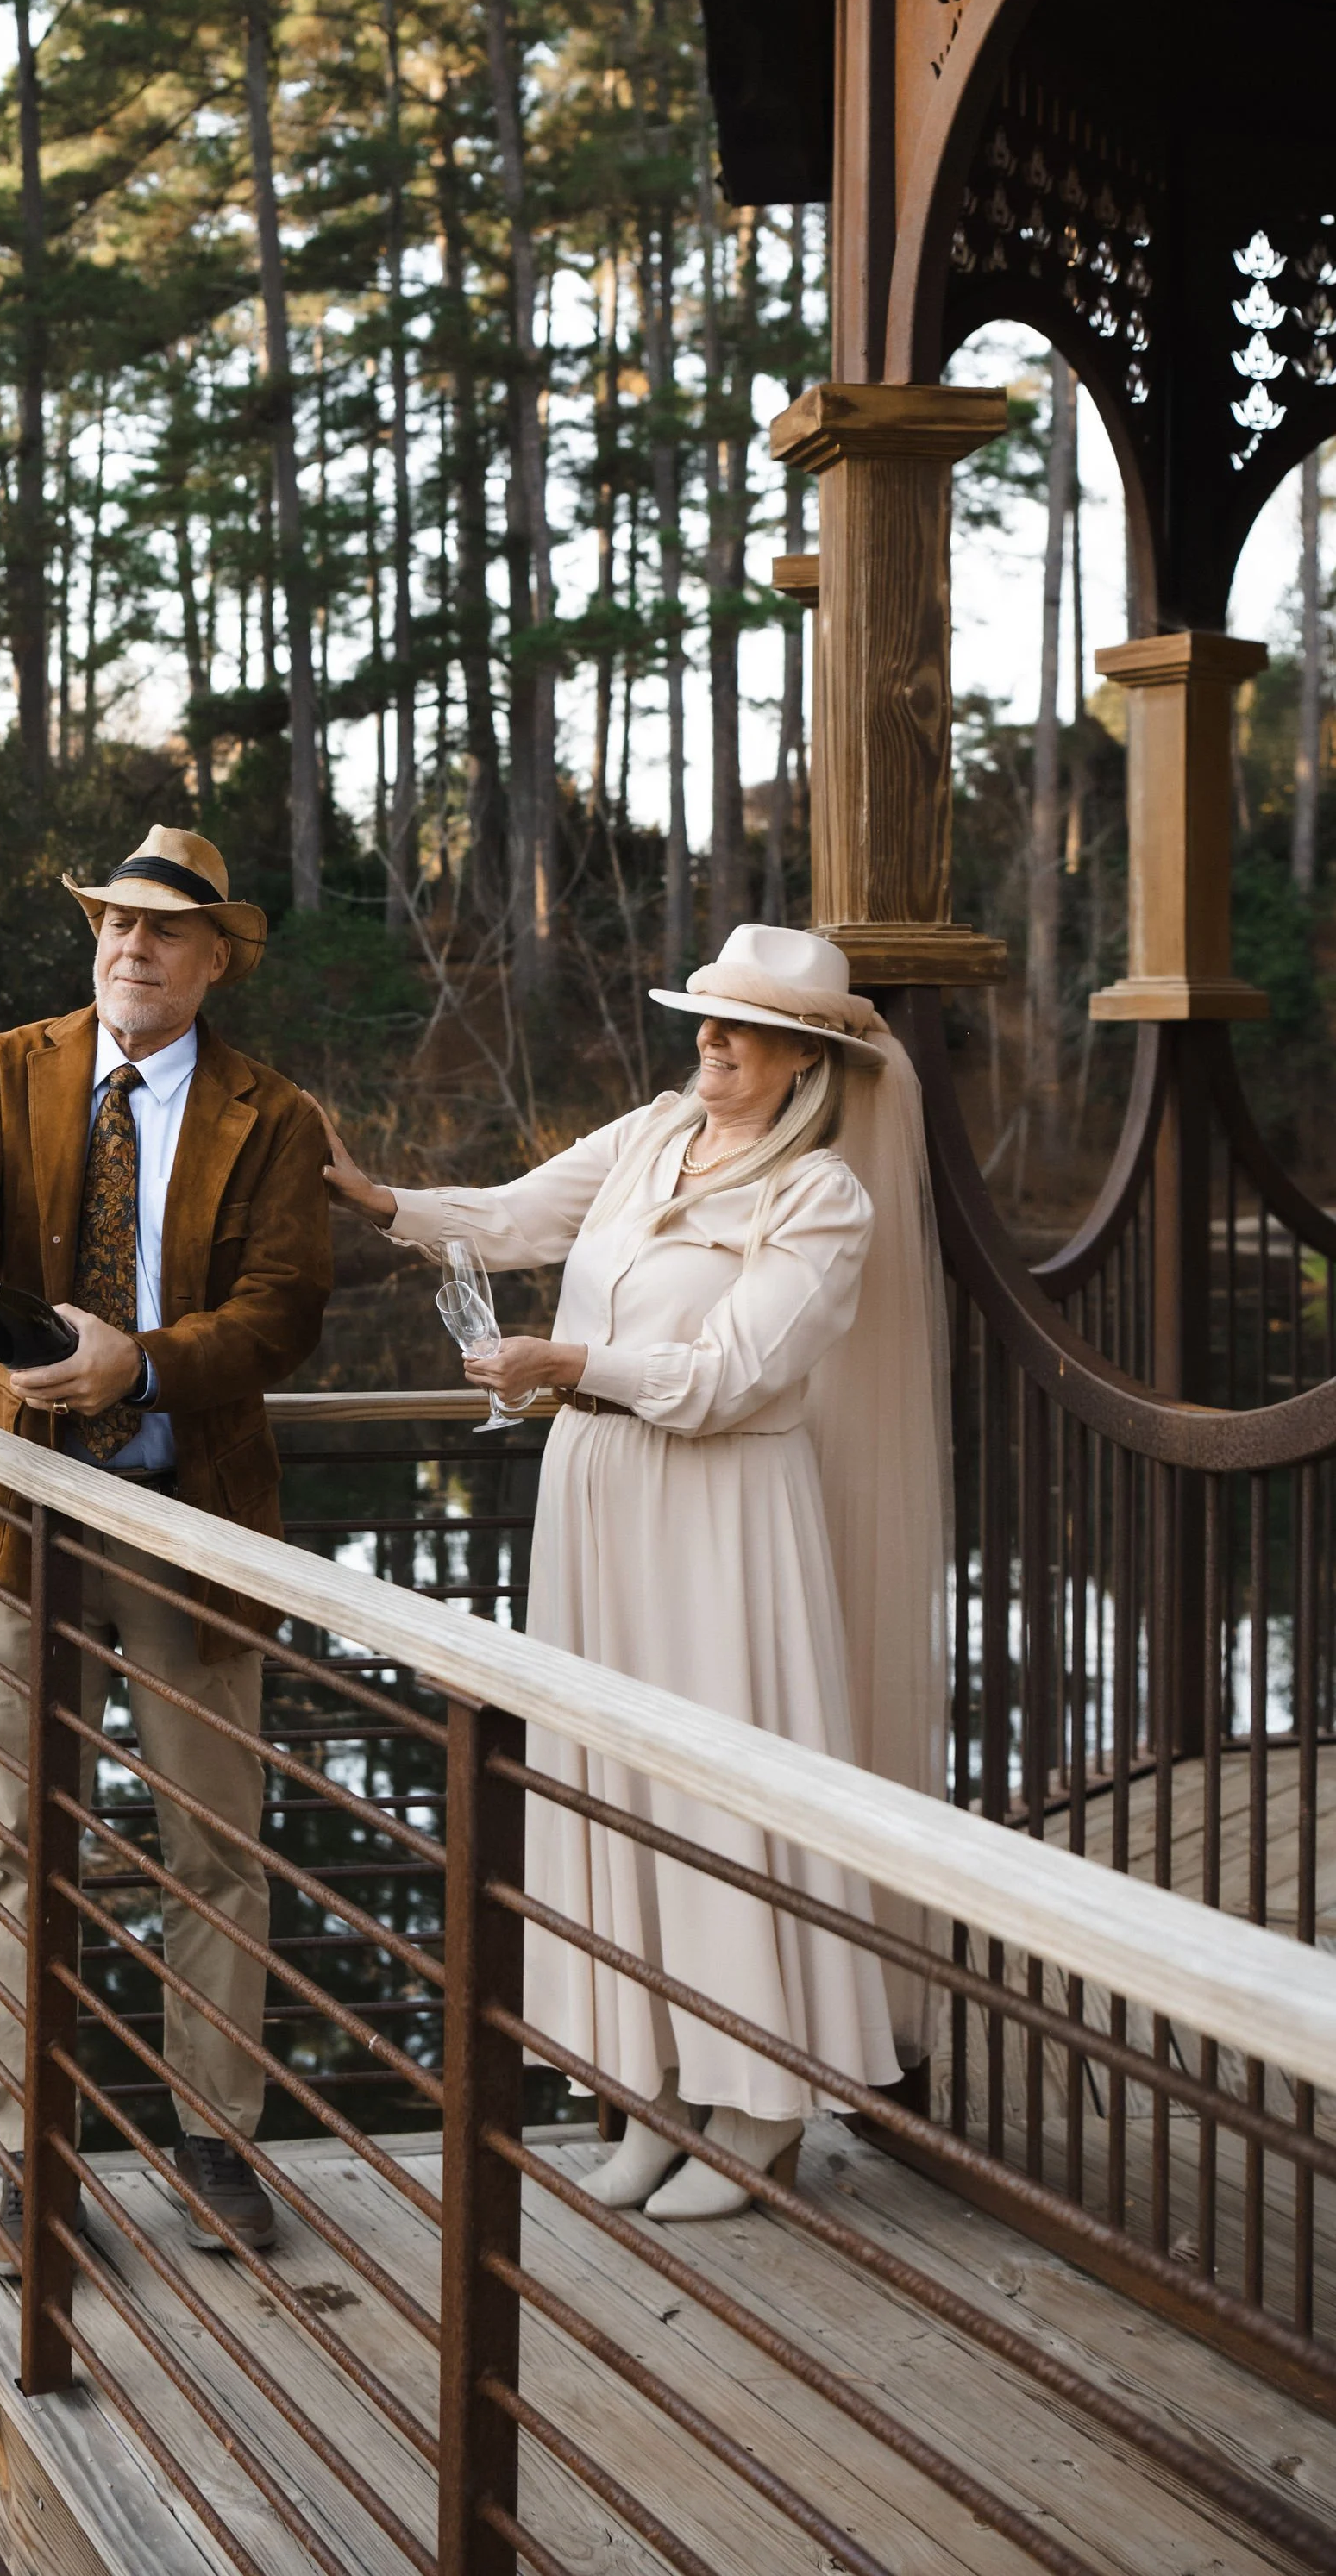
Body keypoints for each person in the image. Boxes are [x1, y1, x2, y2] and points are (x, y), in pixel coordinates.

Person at [317, 923, 949, 2219]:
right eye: (702, 1017)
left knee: (720, 1791)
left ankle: (761, 2104)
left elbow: (732, 1377)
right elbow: (506, 1219)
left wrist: (568, 1367)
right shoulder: (652, 1133)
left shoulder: (820, 1197)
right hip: (596, 1495)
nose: (707, 1041)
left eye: (738, 1027)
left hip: (722, 1510)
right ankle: (657, 2086)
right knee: (613, 1788)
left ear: (804, 1056)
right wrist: (376, 1199)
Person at [0, 826, 333, 2263]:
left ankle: (212, 2144)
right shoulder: (6, 1067)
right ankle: (30, 2156)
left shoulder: (274, 1117)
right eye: (112, 925)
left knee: (216, 1842)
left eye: (162, 933)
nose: (129, 949)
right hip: (15, 1513)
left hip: (185, 1512)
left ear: (217, 961)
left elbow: (282, 1315)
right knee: (18, 1840)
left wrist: (135, 1366)